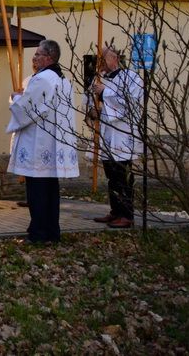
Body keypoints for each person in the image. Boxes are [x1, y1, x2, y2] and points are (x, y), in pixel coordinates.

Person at [7, 39, 79, 244]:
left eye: (38, 54)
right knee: (50, 192)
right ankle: (51, 232)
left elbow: (29, 109)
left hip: (38, 144)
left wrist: (15, 98)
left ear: (49, 57)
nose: (34, 57)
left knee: (37, 192)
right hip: (53, 144)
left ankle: (38, 234)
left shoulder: (42, 79)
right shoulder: (63, 80)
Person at [87, 45, 144, 229]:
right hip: (106, 133)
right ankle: (116, 211)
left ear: (115, 58)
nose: (100, 63)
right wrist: (92, 109)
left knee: (122, 176)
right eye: (99, 59)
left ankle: (127, 215)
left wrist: (104, 92)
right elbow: (91, 100)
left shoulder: (131, 77)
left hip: (122, 134)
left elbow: (130, 102)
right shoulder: (100, 78)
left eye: (103, 59)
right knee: (111, 176)